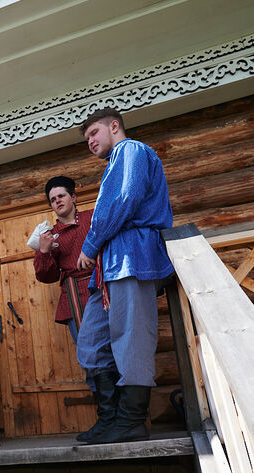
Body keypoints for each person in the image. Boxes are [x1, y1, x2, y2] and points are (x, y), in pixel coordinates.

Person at [75, 107, 175, 444]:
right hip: (110, 266)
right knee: (91, 342)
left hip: (132, 256)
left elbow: (124, 198)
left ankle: (131, 421)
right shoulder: (113, 163)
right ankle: (110, 419)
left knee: (132, 338)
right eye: (87, 137)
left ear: (114, 126)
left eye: (94, 133)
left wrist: (90, 244)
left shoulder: (131, 151)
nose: (90, 141)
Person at [32, 175, 99, 441]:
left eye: (61, 196)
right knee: (90, 357)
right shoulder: (49, 236)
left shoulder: (94, 218)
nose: (57, 201)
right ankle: (106, 418)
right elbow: (45, 276)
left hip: (104, 287)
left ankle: (126, 417)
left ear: (73, 197)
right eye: (52, 199)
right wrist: (45, 251)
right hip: (74, 297)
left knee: (119, 349)